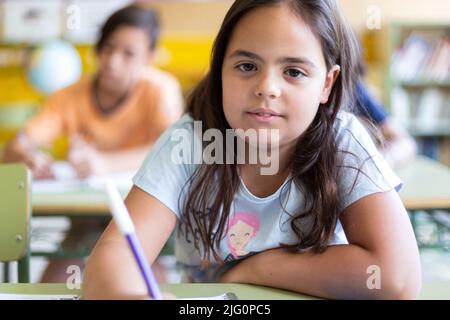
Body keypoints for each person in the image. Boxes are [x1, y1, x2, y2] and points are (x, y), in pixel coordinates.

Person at [83, 0, 421, 300]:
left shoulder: (342, 140)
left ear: (327, 84)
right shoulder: (189, 142)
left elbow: (397, 278)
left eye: (294, 72)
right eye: (247, 66)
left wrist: (256, 268)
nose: (266, 88)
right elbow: (112, 259)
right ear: (220, 71)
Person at [3, 5, 184, 282]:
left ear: (149, 58)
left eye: (128, 54)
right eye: (108, 47)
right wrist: (27, 155)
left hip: (142, 211)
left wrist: (105, 163)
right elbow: (19, 144)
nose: (113, 61)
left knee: (146, 272)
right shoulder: (68, 96)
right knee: (58, 275)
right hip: (84, 215)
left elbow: (172, 150)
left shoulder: (160, 90)